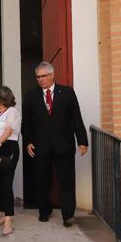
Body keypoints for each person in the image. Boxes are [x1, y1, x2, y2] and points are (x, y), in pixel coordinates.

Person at [22, 61, 88, 227]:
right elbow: (26, 122)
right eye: (38, 77)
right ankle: (44, 211)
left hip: (63, 144)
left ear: (52, 75)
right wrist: (28, 141)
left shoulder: (67, 92)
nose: (41, 80)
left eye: (44, 76)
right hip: (40, 145)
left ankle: (68, 215)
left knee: (66, 181)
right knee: (43, 180)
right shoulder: (31, 95)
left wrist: (82, 141)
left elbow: (76, 118)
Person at [0, 87, 21, 235]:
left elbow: (8, 131)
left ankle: (8, 219)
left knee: (6, 185)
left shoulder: (12, 111)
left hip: (8, 147)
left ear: (0, 99)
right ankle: (4, 212)